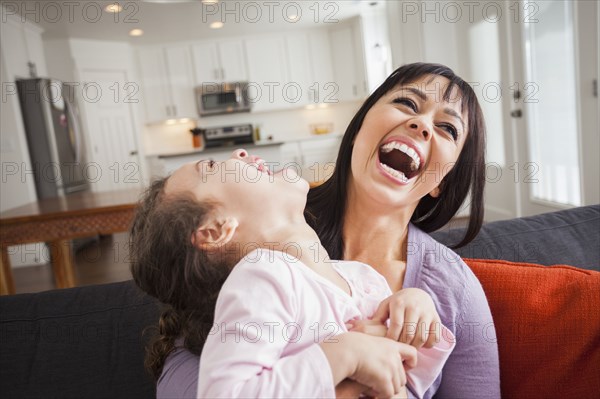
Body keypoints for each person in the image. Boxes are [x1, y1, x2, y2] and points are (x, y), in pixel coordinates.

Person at [135, 62, 501, 398]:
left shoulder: (368, 283)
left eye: (448, 128)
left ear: (444, 181)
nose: (422, 125)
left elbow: (405, 380)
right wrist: (344, 372)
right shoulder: (264, 246)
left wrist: (422, 320)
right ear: (359, 129)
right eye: (407, 103)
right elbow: (191, 368)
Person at [130, 149, 456, 398]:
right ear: (215, 231)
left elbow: (410, 382)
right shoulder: (261, 278)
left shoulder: (362, 278)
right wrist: (345, 353)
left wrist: (419, 317)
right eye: (210, 168)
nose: (239, 153)